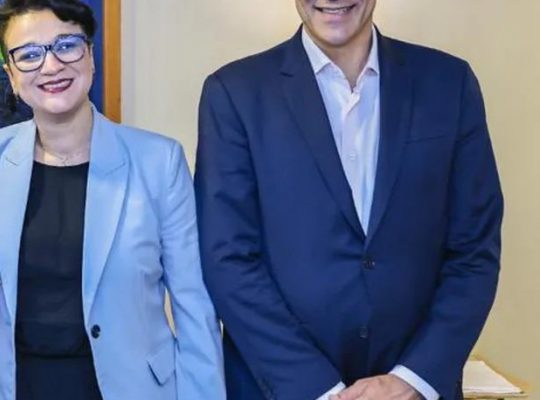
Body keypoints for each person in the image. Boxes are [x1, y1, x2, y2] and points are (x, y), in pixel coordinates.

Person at [195, 1, 503, 399]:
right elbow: (227, 259)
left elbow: (474, 251)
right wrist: (318, 389)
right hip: (281, 389)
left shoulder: (449, 83)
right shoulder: (234, 93)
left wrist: (413, 379)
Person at [0, 0, 225, 399]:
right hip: (8, 387)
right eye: (28, 55)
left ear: (90, 57)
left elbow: (193, 304)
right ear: (11, 75)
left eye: (67, 45)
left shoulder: (158, 161)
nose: (51, 66)